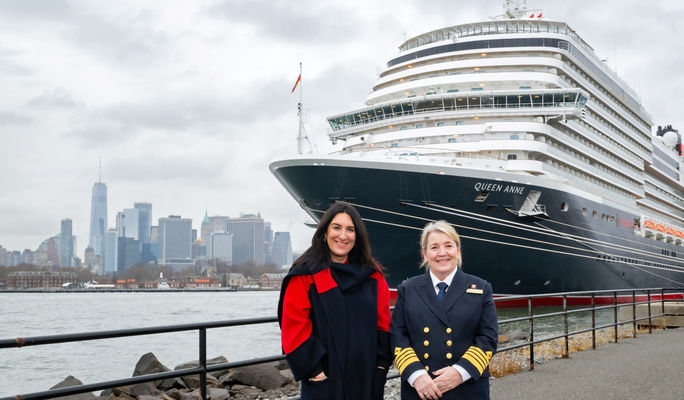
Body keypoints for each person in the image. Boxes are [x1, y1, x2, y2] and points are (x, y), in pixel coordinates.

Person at [277, 203, 391, 400]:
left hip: (367, 378)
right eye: (336, 227)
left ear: (357, 237)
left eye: (350, 229)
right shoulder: (305, 274)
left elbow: (384, 324)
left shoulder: (373, 276)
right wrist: (315, 372)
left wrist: (381, 366)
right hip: (325, 380)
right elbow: (293, 327)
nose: (343, 235)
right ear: (324, 232)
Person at [390, 220, 497, 400]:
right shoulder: (407, 289)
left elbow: (488, 338)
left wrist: (459, 372)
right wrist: (417, 376)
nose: (442, 253)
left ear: (458, 250)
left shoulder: (481, 288)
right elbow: (397, 336)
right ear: (424, 253)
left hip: (467, 389)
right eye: (434, 247)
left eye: (448, 245)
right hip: (421, 390)